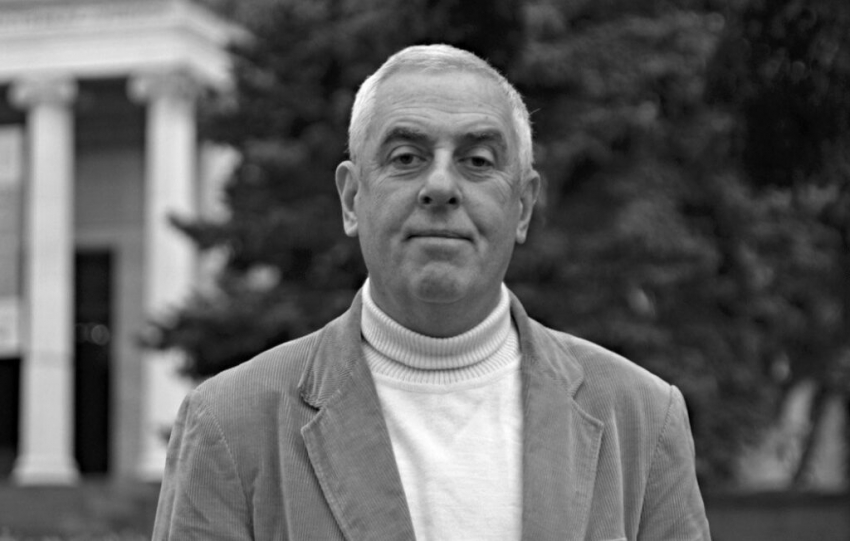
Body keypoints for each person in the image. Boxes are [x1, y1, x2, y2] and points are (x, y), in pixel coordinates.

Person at [153, 44, 711, 540]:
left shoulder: (640, 417)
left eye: (477, 161)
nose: (441, 186)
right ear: (351, 199)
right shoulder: (230, 424)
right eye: (406, 158)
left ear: (522, 206)